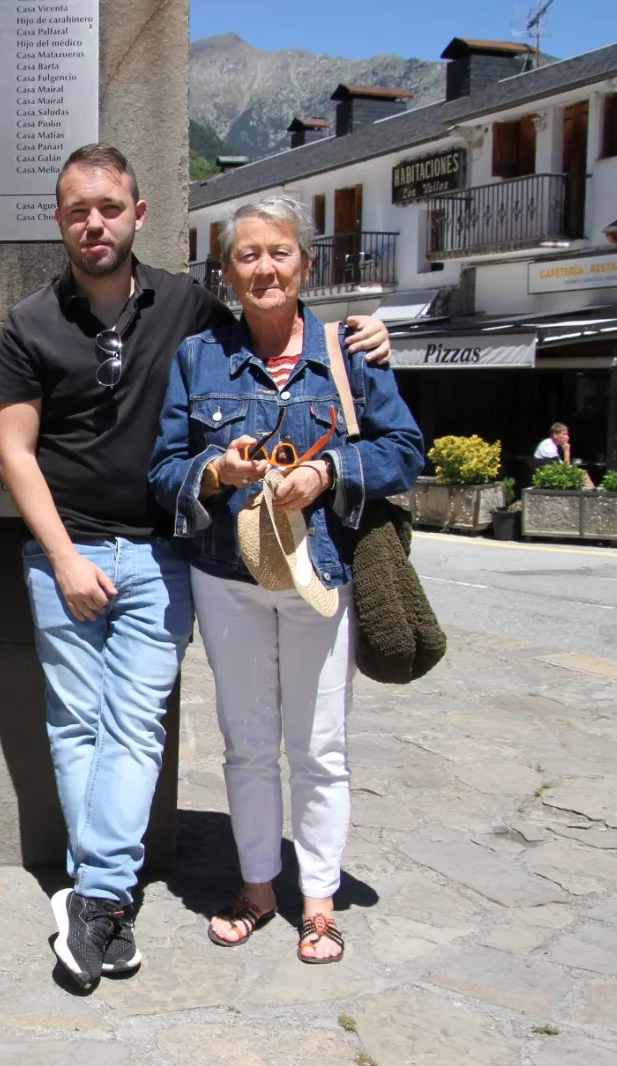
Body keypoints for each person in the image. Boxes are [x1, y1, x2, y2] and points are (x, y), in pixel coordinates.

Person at [0, 143, 393, 989]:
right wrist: (62, 556)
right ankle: (105, 902)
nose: (92, 222)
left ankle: (95, 896)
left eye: (108, 207)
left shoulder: (189, 308)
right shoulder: (29, 323)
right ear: (58, 220)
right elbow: (13, 448)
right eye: (75, 210)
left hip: (165, 557)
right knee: (75, 727)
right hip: (62, 556)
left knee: (134, 727)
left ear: (139, 215)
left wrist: (363, 335)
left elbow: (276, 331)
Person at [149, 195, 423, 965]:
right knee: (246, 741)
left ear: (304, 262)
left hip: (319, 574)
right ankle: (258, 886)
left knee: (320, 746)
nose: (264, 268)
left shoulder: (348, 351)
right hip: (228, 576)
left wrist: (331, 470)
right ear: (228, 271)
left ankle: (319, 901)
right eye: (247, 255)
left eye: (279, 252)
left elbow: (406, 447)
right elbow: (165, 466)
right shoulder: (198, 358)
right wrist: (215, 470)